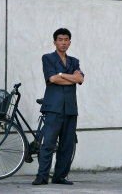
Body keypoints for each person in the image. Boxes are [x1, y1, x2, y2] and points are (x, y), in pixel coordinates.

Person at [32, 28, 84, 186]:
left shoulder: (74, 61)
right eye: (60, 39)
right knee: (48, 144)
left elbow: (80, 78)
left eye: (66, 39)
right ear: (54, 42)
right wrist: (69, 78)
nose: (63, 42)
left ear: (70, 42)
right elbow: (52, 79)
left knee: (67, 145)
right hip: (53, 107)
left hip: (70, 108)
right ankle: (42, 176)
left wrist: (62, 75)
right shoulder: (47, 58)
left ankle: (60, 176)